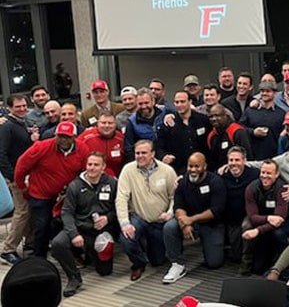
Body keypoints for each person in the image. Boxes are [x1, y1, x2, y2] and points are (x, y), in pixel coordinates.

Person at [14, 121, 89, 258]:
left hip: (64, 195)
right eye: (60, 136)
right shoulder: (42, 147)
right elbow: (21, 165)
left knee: (63, 225)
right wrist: (22, 187)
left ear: (74, 137)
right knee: (41, 227)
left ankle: (68, 255)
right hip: (40, 194)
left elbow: (84, 173)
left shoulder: (82, 149)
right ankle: (40, 259)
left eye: (67, 136)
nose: (63, 140)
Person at [51, 152, 118, 297]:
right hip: (80, 228)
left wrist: (108, 218)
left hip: (101, 231)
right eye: (90, 164)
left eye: (96, 165)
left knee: (105, 272)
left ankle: (91, 254)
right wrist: (74, 234)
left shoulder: (112, 183)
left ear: (103, 167)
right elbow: (66, 213)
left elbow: (118, 208)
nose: (92, 168)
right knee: (58, 243)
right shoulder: (75, 186)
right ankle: (74, 278)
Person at [116, 139, 177, 281]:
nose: (140, 156)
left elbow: (175, 197)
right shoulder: (128, 170)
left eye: (144, 152)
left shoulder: (167, 171)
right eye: (137, 153)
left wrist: (170, 213)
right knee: (126, 238)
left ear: (153, 154)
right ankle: (139, 263)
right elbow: (121, 198)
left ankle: (149, 247)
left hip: (160, 221)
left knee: (158, 262)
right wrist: (125, 223)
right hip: (139, 218)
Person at [162, 153, 226, 284]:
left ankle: (210, 246)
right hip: (188, 220)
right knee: (169, 227)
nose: (193, 169)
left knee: (214, 263)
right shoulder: (183, 182)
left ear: (205, 166)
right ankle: (176, 264)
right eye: (190, 166)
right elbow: (178, 206)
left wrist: (191, 220)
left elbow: (216, 211)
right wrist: (184, 223)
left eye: (197, 166)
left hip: (211, 224)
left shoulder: (216, 182)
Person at [0, 94, 35, 265]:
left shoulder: (22, 123)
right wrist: (13, 177)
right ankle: (7, 249)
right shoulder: (7, 127)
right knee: (22, 213)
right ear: (9, 108)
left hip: (28, 176)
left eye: (23, 106)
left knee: (28, 211)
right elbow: (1, 154)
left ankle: (30, 244)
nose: (22, 109)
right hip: (17, 178)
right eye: (18, 107)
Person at [241, 159, 289, 275]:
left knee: (278, 234)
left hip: (277, 226)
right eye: (263, 172)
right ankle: (246, 264)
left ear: (276, 174)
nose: (265, 176)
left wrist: (258, 231)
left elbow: (279, 219)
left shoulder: (282, 189)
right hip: (261, 220)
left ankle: (279, 265)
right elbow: (252, 216)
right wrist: (268, 218)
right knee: (246, 225)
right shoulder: (251, 188)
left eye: (269, 173)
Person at [217, 146, 259, 264]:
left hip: (250, 215)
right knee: (236, 256)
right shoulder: (222, 175)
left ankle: (248, 260)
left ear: (244, 161)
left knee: (247, 226)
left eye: (237, 160)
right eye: (231, 160)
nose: (233, 163)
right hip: (232, 219)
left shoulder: (255, 174)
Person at [156, 90, 211, 174]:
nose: (179, 105)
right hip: (178, 169)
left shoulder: (203, 120)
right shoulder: (168, 123)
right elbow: (159, 146)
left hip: (203, 168)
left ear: (190, 102)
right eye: (176, 102)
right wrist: (163, 156)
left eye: (182, 102)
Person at [238, 80, 285, 160]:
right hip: (253, 157)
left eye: (268, 91)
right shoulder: (250, 111)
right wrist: (253, 132)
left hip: (274, 158)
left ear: (275, 93)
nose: (264, 93)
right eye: (262, 91)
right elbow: (239, 128)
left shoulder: (281, 113)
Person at [123, 88, 167, 162]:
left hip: (166, 159)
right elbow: (129, 149)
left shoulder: (164, 114)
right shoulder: (132, 122)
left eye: (146, 103)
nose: (143, 106)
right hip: (145, 162)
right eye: (140, 104)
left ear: (153, 102)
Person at [77, 111, 125, 177]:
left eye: (110, 123)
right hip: (90, 178)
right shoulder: (86, 137)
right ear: (97, 124)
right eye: (103, 123)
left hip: (115, 179)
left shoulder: (121, 138)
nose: (107, 126)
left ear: (115, 124)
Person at [207, 104, 252, 171]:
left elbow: (248, 157)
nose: (214, 119)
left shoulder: (237, 131)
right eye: (211, 116)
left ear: (225, 116)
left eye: (217, 115)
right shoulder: (211, 136)